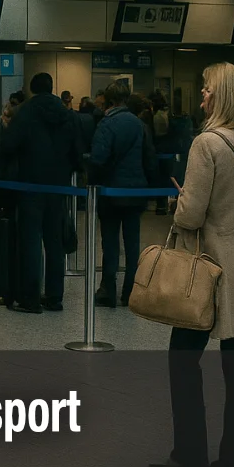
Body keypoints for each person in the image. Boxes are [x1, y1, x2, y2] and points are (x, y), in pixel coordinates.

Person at [149, 63, 234, 467]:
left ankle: (189, 454)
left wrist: (176, 203)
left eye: (206, 90)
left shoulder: (207, 144)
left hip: (207, 270)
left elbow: (192, 215)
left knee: (182, 362)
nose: (201, 96)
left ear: (223, 95)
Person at [0, 73, 84, 313]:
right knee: (55, 241)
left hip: (30, 185)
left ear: (32, 89)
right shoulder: (67, 114)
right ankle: (55, 296)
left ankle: (30, 297)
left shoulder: (25, 112)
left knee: (30, 240)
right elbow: (78, 152)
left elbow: (8, 145)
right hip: (58, 186)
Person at [88, 82, 152, 308]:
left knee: (111, 242)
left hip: (111, 191)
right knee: (133, 242)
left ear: (108, 99)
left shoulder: (107, 124)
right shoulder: (139, 124)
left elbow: (98, 158)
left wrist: (93, 180)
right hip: (136, 190)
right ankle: (130, 291)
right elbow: (148, 157)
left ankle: (108, 289)